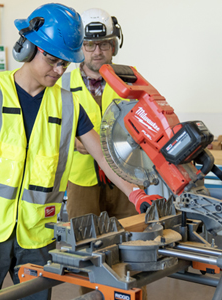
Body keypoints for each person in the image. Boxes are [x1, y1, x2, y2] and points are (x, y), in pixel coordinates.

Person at [0, 3, 161, 300]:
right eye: (53, 60)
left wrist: (135, 193)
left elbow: (104, 158)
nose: (59, 70)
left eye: (65, 64)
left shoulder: (69, 105)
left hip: (36, 238)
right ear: (28, 48)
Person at [57, 8, 137, 222]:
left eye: (104, 44)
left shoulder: (131, 79)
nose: (97, 51)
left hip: (125, 175)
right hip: (81, 179)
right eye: (89, 44)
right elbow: (48, 130)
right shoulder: (61, 84)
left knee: (132, 235)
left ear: (114, 46)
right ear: (80, 47)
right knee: (86, 242)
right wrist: (72, 141)